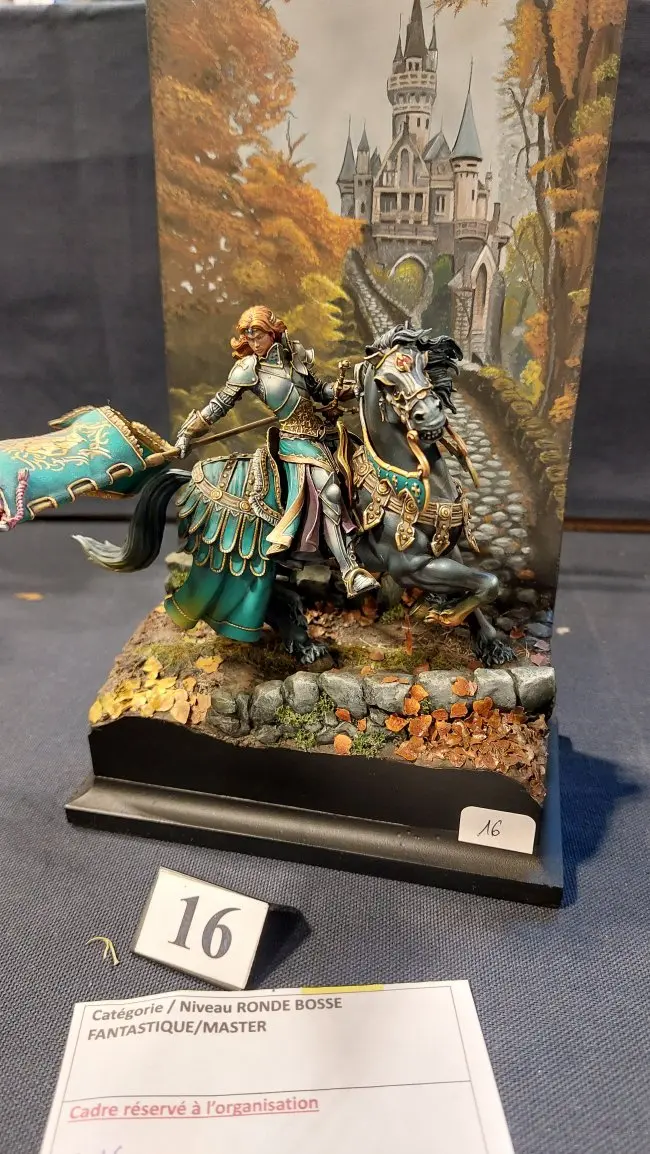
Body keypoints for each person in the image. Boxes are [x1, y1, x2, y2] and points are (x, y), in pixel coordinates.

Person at [174, 305, 379, 597]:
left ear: (273, 332)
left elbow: (319, 391)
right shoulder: (249, 369)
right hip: (295, 442)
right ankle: (350, 571)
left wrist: (341, 391)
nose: (254, 342)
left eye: (258, 335)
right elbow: (218, 405)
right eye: (248, 337)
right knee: (330, 490)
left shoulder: (295, 356)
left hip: (326, 434)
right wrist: (187, 433)